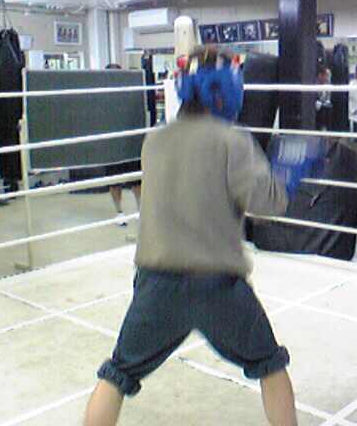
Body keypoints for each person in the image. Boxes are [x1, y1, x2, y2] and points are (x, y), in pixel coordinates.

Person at [83, 46, 322, 426]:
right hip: (217, 284)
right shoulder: (232, 141)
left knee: (117, 373)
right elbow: (268, 203)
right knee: (270, 364)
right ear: (228, 89)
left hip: (156, 281)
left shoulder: (154, 140)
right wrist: (287, 174)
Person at [104, 63, 142, 226]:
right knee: (114, 182)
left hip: (130, 144)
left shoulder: (130, 94)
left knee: (137, 181)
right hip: (112, 146)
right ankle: (119, 213)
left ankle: (141, 211)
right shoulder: (102, 97)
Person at [315, 64, 333, 130]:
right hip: (316, 109)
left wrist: (327, 101)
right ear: (320, 75)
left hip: (325, 107)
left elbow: (328, 97)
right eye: (326, 75)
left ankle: (328, 130)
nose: (327, 77)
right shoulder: (314, 83)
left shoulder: (328, 83)